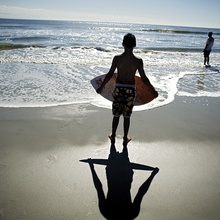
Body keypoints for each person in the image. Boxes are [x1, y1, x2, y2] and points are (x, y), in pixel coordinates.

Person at [96, 33, 158, 146]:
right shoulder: (138, 61)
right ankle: (125, 138)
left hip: (118, 89)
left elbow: (110, 75)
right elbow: (144, 78)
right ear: (134, 45)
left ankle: (113, 136)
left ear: (123, 44)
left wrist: (101, 87)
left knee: (116, 115)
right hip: (130, 90)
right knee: (127, 116)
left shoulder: (117, 58)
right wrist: (152, 91)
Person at [88, 144, 159, 220]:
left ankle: (121, 144)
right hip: (118, 175)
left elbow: (141, 192)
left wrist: (152, 175)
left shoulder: (130, 214)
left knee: (120, 154)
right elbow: (99, 188)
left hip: (119, 175)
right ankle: (119, 143)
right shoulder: (107, 212)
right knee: (116, 153)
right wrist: (92, 168)